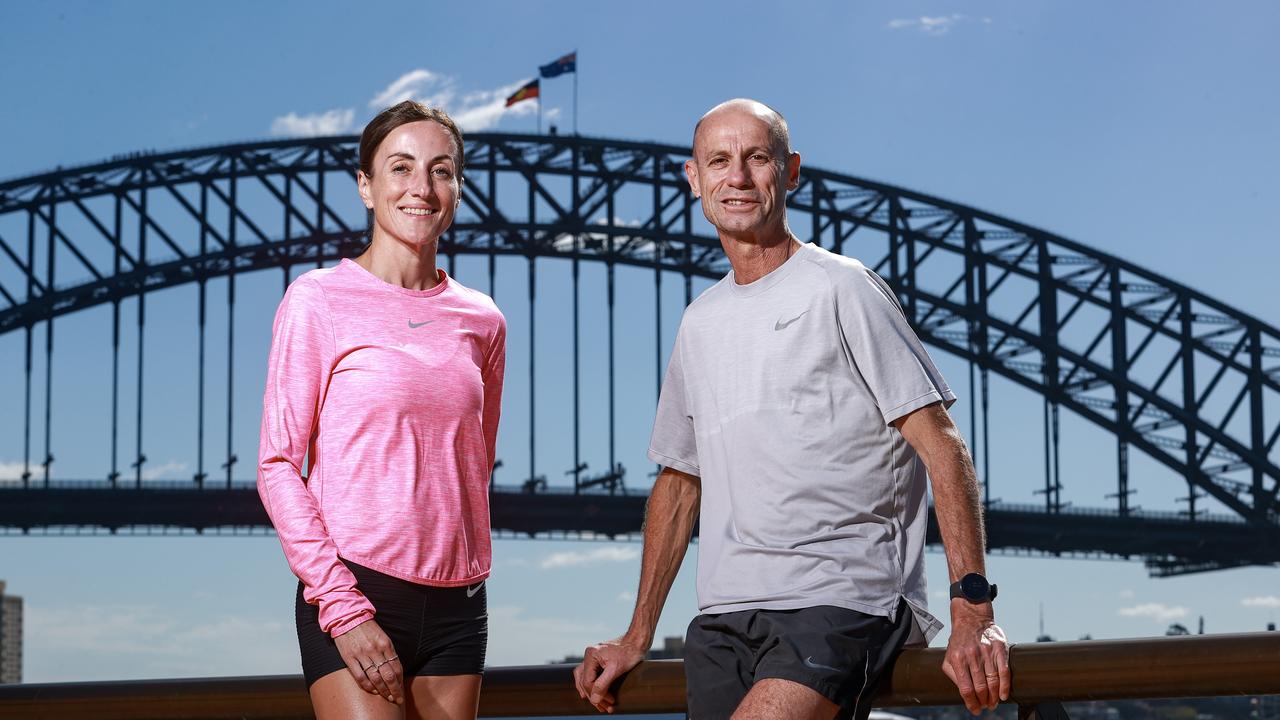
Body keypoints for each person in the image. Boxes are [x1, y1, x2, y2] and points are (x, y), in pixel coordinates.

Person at [572, 99, 1010, 720]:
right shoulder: (699, 321)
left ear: (791, 171)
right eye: (718, 161)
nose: (739, 177)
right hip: (724, 616)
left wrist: (974, 609)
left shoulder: (842, 286)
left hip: (840, 600)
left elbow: (942, 444)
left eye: (757, 157)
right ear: (694, 179)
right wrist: (637, 633)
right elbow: (678, 484)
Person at [258, 100, 506, 720]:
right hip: (357, 590)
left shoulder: (484, 320)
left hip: (460, 602)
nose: (421, 188)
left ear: (458, 188)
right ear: (366, 188)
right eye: (400, 168)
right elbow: (279, 464)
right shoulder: (317, 300)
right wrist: (341, 606)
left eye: (441, 171)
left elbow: (476, 464)